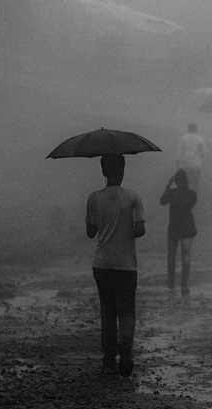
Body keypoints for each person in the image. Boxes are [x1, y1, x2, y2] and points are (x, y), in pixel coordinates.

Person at [86, 154, 145, 378]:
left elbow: (90, 231)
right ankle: (125, 345)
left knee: (108, 311)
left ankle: (109, 361)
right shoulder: (132, 196)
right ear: (123, 171)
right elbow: (140, 230)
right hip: (125, 264)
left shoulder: (94, 198)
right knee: (126, 310)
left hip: (101, 263)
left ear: (103, 172)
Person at [159, 169, 197, 297]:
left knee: (171, 255)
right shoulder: (192, 194)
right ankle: (184, 285)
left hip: (174, 227)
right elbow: (189, 205)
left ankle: (171, 282)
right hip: (187, 227)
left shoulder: (171, 193)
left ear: (176, 181)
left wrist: (168, 186)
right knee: (186, 256)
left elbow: (162, 202)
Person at [176, 123, 207, 192]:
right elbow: (204, 152)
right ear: (196, 130)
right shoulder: (200, 139)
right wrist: (201, 157)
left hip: (185, 163)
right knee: (195, 181)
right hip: (196, 164)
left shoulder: (183, 139)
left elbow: (179, 152)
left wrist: (178, 163)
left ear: (188, 129)